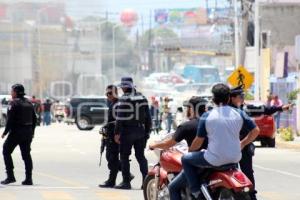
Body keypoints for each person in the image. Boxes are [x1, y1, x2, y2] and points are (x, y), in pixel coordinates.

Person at [182, 83, 260, 199]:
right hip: (234, 158)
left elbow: (198, 142)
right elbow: (255, 131)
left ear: (213, 100)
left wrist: (190, 151)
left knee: (185, 159)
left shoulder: (207, 116)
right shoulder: (239, 113)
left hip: (214, 160)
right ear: (228, 98)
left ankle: (196, 192)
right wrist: (242, 143)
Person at [229, 85, 292, 200]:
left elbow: (265, 109)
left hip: (244, 147)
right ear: (232, 98)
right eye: (240, 96)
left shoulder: (245, 109)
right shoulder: (225, 111)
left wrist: (281, 108)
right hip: (229, 147)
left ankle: (251, 195)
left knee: (248, 172)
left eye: (243, 96)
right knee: (229, 173)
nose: (243, 99)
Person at [149, 96, 208, 200]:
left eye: (187, 108)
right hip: (217, 159)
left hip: (199, 162)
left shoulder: (187, 126)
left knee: (173, 187)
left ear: (191, 109)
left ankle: (196, 192)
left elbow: (169, 144)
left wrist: (154, 145)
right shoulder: (212, 122)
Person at [114, 77, 152, 189]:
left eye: (122, 87)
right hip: (140, 131)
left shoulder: (124, 99)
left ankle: (126, 182)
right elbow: (148, 117)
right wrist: (147, 132)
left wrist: (116, 133)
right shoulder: (142, 97)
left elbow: (119, 118)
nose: (121, 89)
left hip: (127, 132)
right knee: (140, 156)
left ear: (125, 87)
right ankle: (146, 183)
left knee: (124, 156)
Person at [1, 84, 37, 185]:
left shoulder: (13, 103)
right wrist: (32, 132)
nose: (11, 93)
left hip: (17, 132)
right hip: (28, 132)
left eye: (12, 91)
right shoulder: (29, 103)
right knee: (26, 155)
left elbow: (10, 120)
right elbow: (35, 119)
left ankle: (10, 176)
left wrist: (5, 132)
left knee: (6, 151)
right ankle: (29, 179)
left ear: (16, 92)